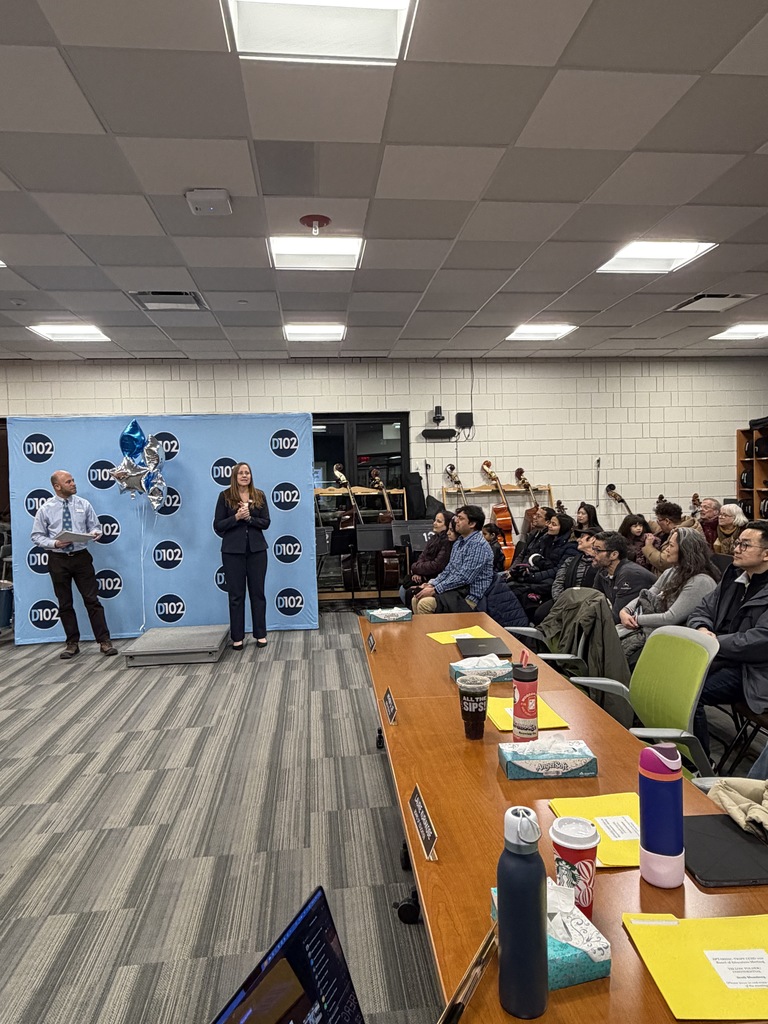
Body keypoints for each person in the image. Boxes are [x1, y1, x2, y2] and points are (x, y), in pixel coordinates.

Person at [688, 521, 768, 758]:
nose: (736, 548)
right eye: (737, 543)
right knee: (670, 678)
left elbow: (760, 641)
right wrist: (702, 628)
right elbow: (701, 609)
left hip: (753, 671)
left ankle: (699, 764)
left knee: (691, 696)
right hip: (720, 657)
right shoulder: (734, 577)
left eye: (745, 545)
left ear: (766, 554)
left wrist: (714, 642)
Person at [30, 469, 117, 659]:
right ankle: (72, 643)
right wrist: (54, 543)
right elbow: (36, 536)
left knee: (92, 600)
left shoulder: (84, 504)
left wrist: (96, 533)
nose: (73, 484)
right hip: (58, 559)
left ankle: (104, 641)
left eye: (73, 480)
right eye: (68, 482)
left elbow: (95, 526)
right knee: (65, 603)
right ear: (57, 486)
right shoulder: (46, 508)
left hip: (81, 557)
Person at [617, 528, 720, 666]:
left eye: (671, 546)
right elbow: (649, 593)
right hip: (659, 632)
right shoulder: (672, 571)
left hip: (678, 642)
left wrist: (635, 619)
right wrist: (625, 611)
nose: (666, 550)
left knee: (621, 656)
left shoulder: (700, 581)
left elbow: (670, 617)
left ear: (685, 550)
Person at [214, 461, 270, 650]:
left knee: (258, 593)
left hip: (257, 552)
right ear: (235, 476)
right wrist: (237, 517)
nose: (245, 475)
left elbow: (266, 522)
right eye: (241, 473)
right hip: (232, 553)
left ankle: (260, 634)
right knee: (236, 595)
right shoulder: (225, 497)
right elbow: (218, 525)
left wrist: (250, 518)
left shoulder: (259, 495)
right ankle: (237, 637)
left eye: (247, 472)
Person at [412, 505, 493, 614]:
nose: (456, 521)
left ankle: (433, 631)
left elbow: (464, 578)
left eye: (461, 518)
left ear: (472, 524)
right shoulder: (460, 541)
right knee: (416, 598)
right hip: (455, 591)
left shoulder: (478, 545)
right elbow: (449, 569)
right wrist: (432, 584)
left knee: (425, 604)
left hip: (468, 597)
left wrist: (436, 589)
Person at [506, 512, 576, 617]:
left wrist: (533, 576)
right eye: (550, 523)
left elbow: (557, 570)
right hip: (541, 575)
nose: (549, 526)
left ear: (563, 528)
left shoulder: (570, 547)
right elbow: (537, 559)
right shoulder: (547, 539)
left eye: (554, 524)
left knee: (517, 590)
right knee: (509, 583)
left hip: (552, 581)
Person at [591, 531, 656, 622]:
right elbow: (593, 601)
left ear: (614, 555)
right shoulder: (603, 571)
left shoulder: (630, 574)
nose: (592, 553)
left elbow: (617, 617)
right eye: (593, 548)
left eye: (597, 550)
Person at [400, 509, 453, 607]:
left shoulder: (447, 542)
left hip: (434, 576)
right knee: (405, 586)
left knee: (409, 592)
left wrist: (421, 572)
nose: (434, 523)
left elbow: (437, 565)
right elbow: (422, 556)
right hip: (425, 574)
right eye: (435, 520)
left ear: (448, 525)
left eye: (439, 521)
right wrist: (417, 571)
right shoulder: (434, 538)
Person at [642, 499, 703, 572]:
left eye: (658, 520)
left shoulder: (682, 536)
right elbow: (656, 527)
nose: (657, 523)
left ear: (667, 521)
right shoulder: (677, 526)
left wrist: (648, 546)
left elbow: (664, 562)